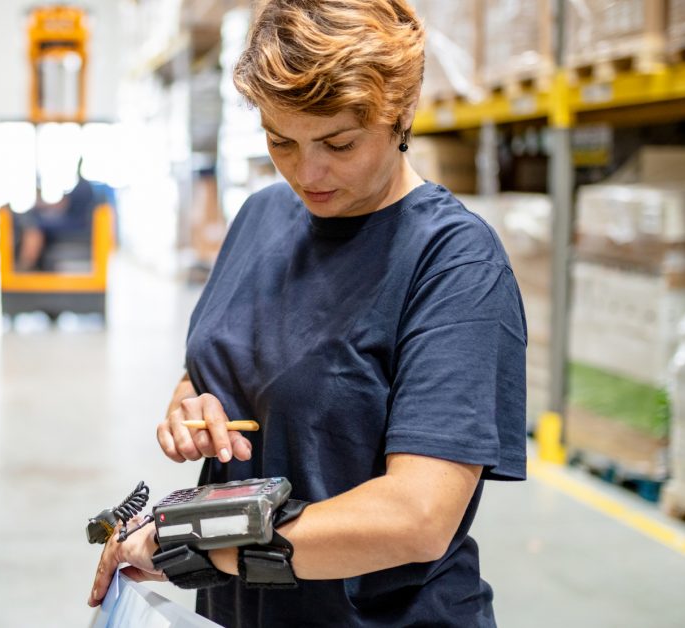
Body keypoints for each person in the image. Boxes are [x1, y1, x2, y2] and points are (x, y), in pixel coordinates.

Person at [88, 1, 527, 625]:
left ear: (400, 112)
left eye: (338, 143)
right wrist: (191, 407)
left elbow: (417, 517)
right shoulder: (262, 216)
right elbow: (214, 369)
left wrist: (201, 544)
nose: (308, 172)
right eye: (280, 141)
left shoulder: (454, 262)